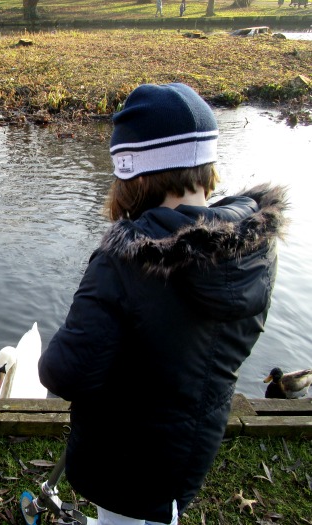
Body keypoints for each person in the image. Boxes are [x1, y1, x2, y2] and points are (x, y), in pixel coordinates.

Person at [38, 83, 288, 525]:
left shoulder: (126, 260)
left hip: (123, 458)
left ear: (134, 174)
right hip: (190, 449)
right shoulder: (255, 247)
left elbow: (64, 372)